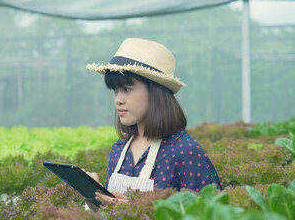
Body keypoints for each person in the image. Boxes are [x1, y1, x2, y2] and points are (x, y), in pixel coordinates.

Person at [85, 38, 222, 210]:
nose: (118, 100)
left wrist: (138, 209)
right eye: (115, 90)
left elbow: (213, 212)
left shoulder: (184, 151)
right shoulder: (119, 149)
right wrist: (95, 201)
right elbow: (112, 211)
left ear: (155, 92)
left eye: (127, 89)